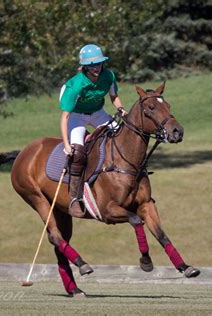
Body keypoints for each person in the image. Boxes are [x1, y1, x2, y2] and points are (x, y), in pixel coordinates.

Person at [59, 44, 127, 217]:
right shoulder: (75, 85)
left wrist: (120, 109)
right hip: (77, 116)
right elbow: (65, 117)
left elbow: (114, 96)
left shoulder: (108, 76)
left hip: (98, 114)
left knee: (122, 138)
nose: (96, 68)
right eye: (91, 65)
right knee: (78, 153)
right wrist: (67, 145)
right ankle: (74, 198)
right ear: (84, 66)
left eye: (98, 64)